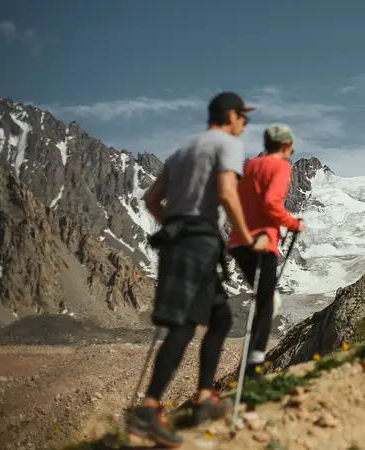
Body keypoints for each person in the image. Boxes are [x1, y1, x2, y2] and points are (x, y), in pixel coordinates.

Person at [124, 91, 258, 447]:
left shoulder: (182, 151)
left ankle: (202, 398)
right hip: (199, 243)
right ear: (230, 116)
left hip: (178, 242)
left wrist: (175, 223)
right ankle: (149, 409)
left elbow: (152, 200)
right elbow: (228, 194)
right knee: (184, 326)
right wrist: (245, 238)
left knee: (219, 318)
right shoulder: (228, 145)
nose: (245, 123)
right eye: (243, 117)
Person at [228, 123, 305, 380]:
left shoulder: (250, 167)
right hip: (263, 243)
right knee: (268, 303)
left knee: (265, 300)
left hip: (238, 242)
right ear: (285, 146)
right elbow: (272, 203)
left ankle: (252, 363)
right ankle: (253, 367)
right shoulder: (281, 166)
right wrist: (293, 224)